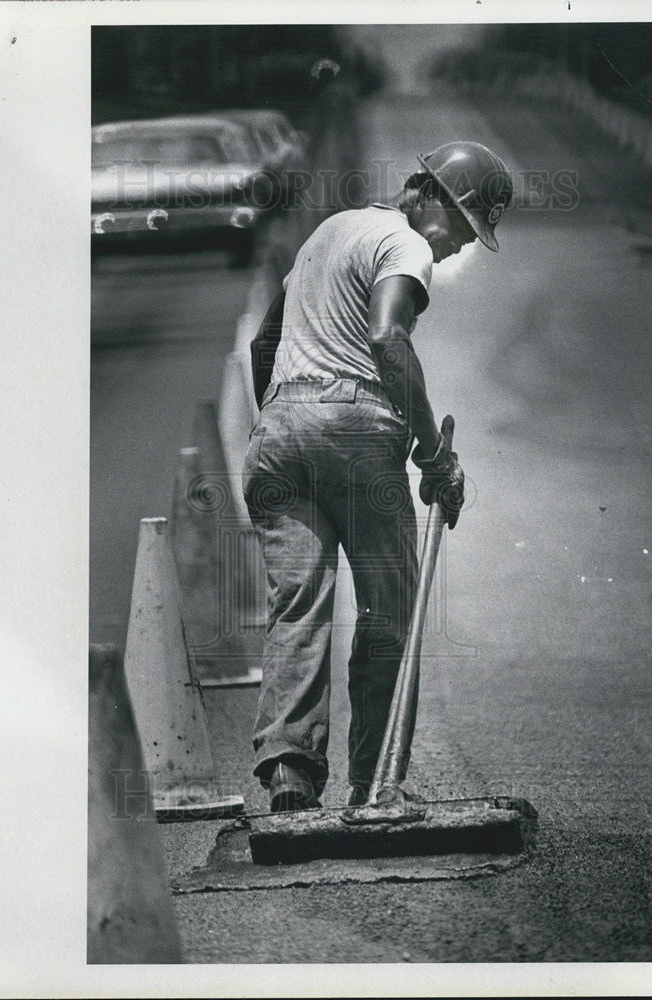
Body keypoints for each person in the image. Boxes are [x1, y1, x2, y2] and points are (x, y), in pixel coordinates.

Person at [244, 141, 513, 811]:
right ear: (428, 197)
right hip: (359, 430)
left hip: (278, 430)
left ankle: (290, 771)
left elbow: (262, 343)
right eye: (461, 227)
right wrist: (433, 453)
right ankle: (374, 784)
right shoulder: (407, 244)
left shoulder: (329, 231)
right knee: (389, 612)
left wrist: (286, 422)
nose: (457, 249)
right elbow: (389, 338)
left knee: (297, 605)